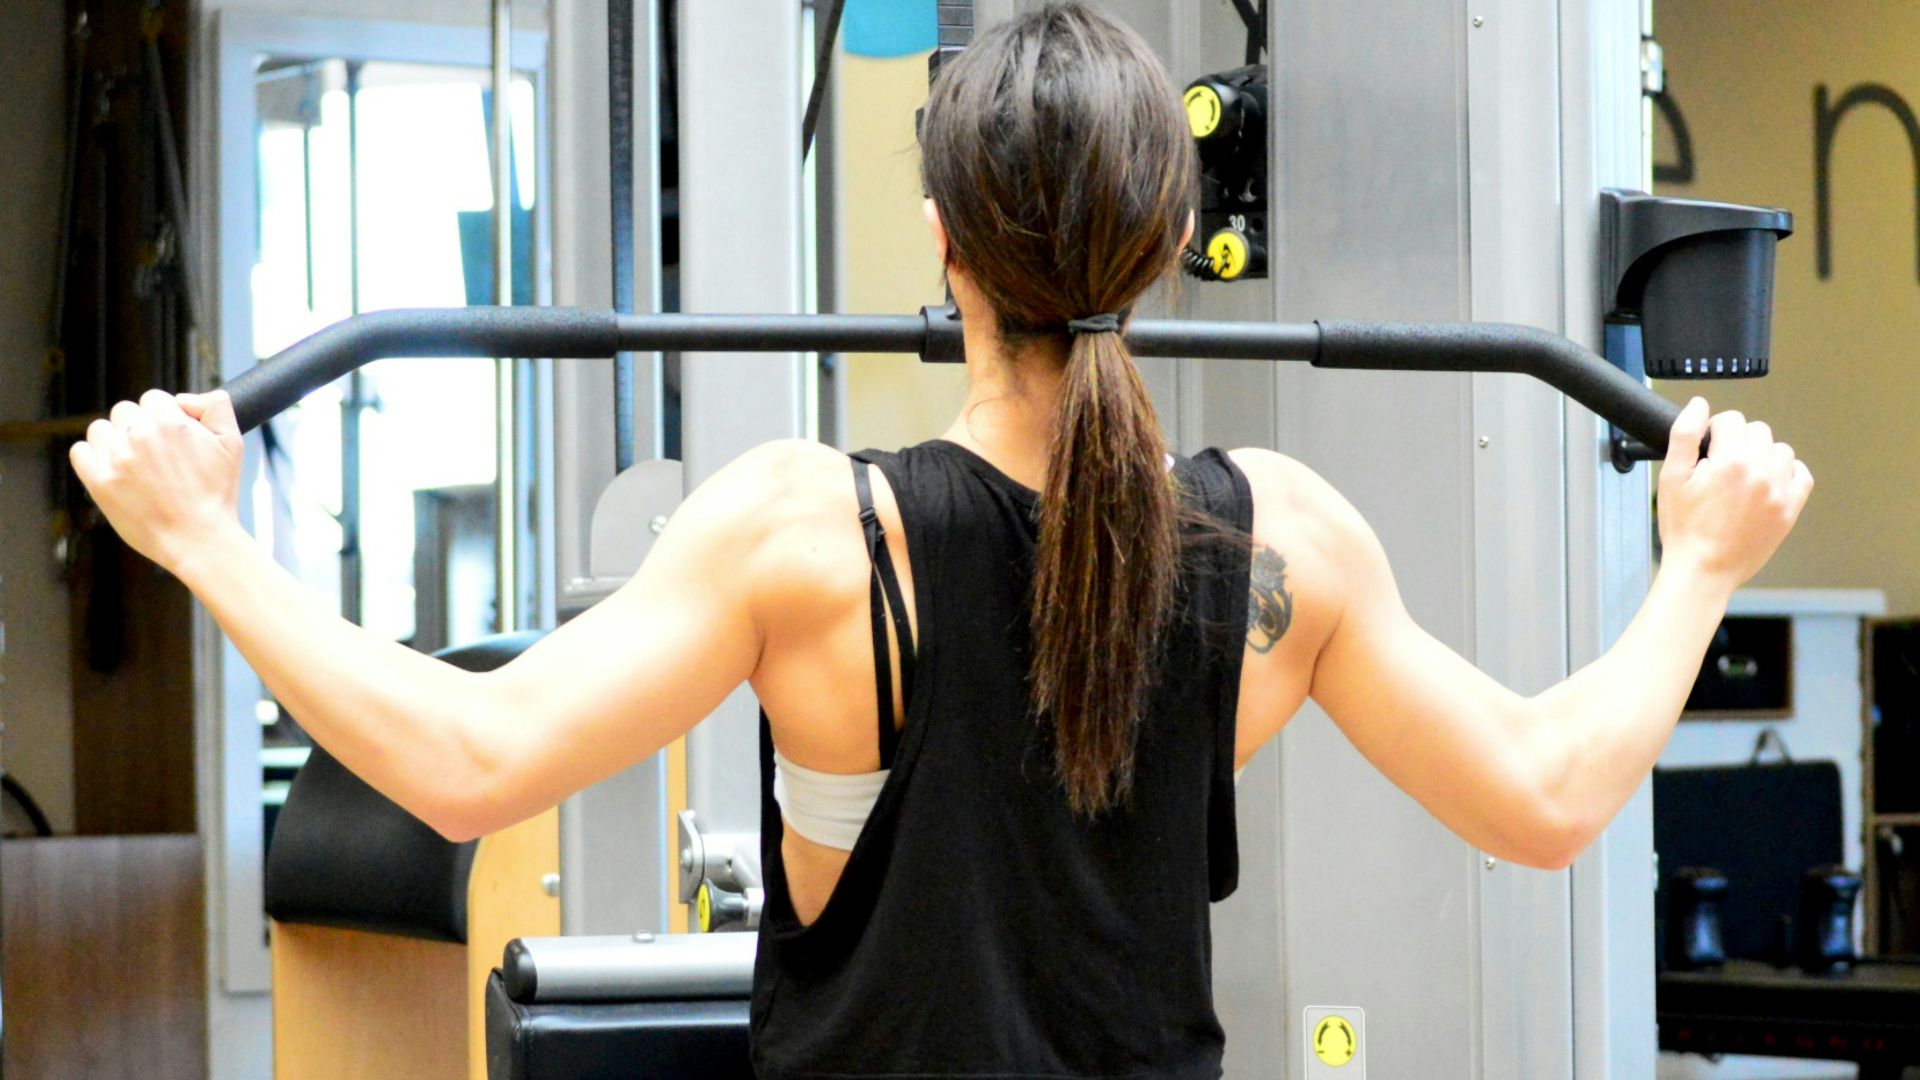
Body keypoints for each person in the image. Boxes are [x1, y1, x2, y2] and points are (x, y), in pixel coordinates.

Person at [69, 4, 1811, 1077]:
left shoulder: (808, 536)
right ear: (1168, 245)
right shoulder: (1281, 546)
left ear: (944, 248)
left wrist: (208, 540)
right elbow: (1546, 797)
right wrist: (1701, 565)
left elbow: (466, 765)